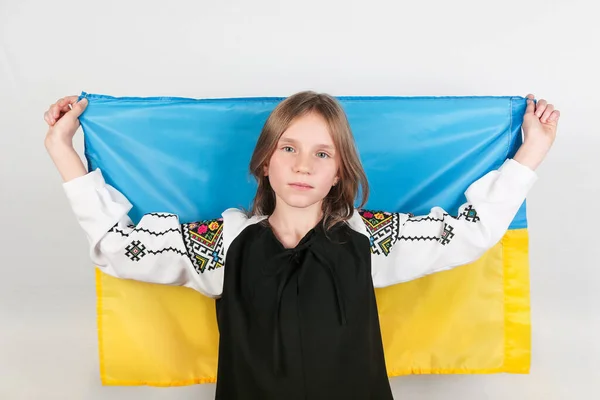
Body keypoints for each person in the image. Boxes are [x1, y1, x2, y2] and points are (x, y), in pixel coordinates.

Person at [44, 91, 559, 399]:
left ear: (339, 173)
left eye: (321, 153)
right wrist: (62, 149)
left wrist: (530, 152)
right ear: (267, 159)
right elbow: (117, 245)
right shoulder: (225, 244)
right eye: (288, 148)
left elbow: (469, 233)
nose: (303, 165)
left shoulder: (369, 241)